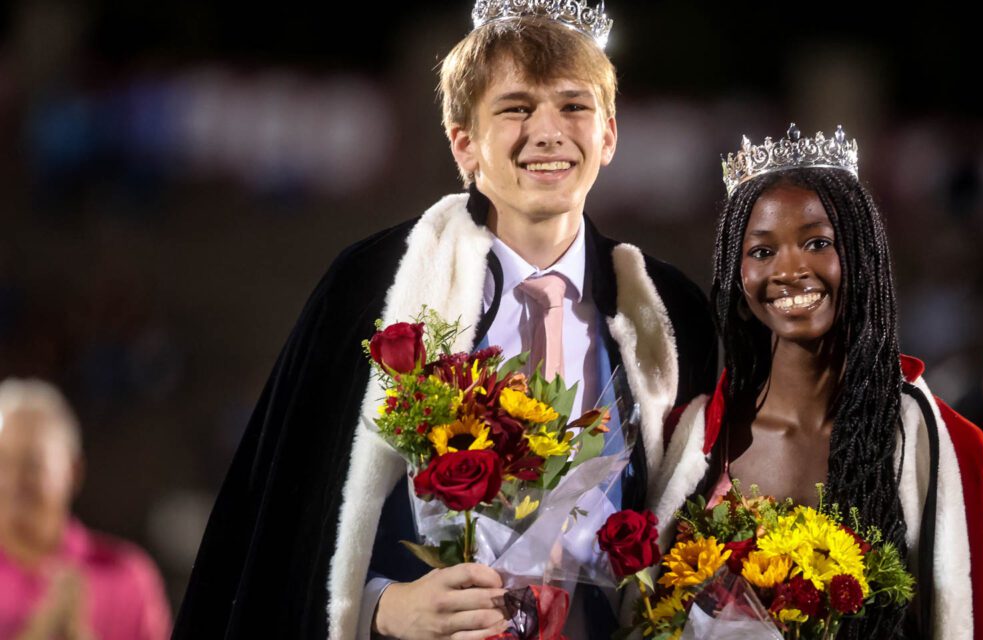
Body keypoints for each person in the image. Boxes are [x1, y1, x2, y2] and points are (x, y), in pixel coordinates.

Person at [175, 2, 717, 639]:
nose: (548, 132)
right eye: (516, 108)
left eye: (574, 107)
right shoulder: (375, 285)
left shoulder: (668, 311)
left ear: (609, 134)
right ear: (464, 141)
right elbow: (285, 517)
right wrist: (381, 606)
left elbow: (690, 524)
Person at [649, 125, 983, 639]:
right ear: (738, 283)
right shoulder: (687, 443)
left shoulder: (950, 450)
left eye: (817, 243)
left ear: (862, 261)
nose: (790, 268)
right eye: (762, 251)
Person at [0, 378, 171, 640]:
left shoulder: (128, 578)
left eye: (32, 465)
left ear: (73, 470)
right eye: (2, 461)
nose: (12, 480)